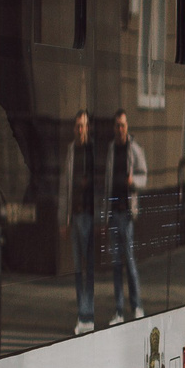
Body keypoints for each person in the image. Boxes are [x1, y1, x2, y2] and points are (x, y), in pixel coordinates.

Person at [107, 110, 147, 324]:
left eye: (123, 125)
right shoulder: (112, 150)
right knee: (115, 264)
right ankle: (119, 311)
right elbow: (107, 181)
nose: (120, 129)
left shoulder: (134, 149)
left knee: (130, 262)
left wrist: (133, 182)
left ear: (127, 126)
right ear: (114, 128)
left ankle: (137, 306)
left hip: (127, 214)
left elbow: (144, 176)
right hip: (113, 214)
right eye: (117, 126)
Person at [62, 110, 99, 335]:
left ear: (88, 128)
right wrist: (63, 219)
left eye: (83, 125)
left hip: (89, 216)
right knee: (78, 269)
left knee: (89, 269)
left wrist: (100, 218)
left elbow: (99, 185)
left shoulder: (92, 151)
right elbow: (64, 186)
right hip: (74, 217)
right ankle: (81, 314)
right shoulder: (71, 151)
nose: (80, 129)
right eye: (77, 126)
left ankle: (89, 315)